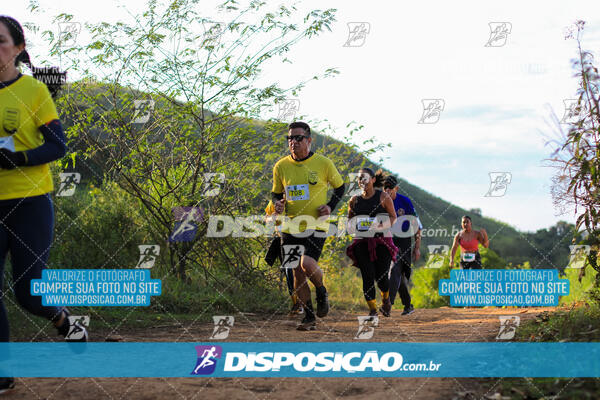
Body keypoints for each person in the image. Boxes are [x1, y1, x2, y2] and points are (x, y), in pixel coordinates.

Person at [0, 15, 87, 395]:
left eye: (0, 41)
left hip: (30, 202)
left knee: (28, 291)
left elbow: (57, 146)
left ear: (18, 49)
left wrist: (18, 159)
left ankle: (62, 317)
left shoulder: (34, 91)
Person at [271, 121, 345, 330]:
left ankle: (321, 290)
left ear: (309, 140)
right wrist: (277, 203)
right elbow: (276, 191)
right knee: (296, 271)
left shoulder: (323, 163)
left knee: (307, 264)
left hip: (316, 225)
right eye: (290, 138)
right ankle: (310, 317)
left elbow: (340, 187)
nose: (293, 142)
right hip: (290, 226)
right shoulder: (281, 166)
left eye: (298, 138)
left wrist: (330, 206)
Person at [346, 168, 398, 317]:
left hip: (382, 242)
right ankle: (373, 310)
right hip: (362, 242)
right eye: (359, 178)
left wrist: (380, 226)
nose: (361, 181)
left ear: (373, 179)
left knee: (381, 277)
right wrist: (352, 226)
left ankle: (386, 300)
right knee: (367, 275)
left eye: (365, 178)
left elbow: (393, 217)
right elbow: (350, 220)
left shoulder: (383, 197)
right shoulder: (354, 200)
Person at [384, 175, 422, 315]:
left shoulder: (405, 202)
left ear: (396, 188)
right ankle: (408, 305)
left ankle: (388, 303)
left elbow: (417, 226)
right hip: (388, 239)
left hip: (404, 241)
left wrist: (417, 248)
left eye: (391, 189)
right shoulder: (381, 201)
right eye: (385, 188)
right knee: (396, 273)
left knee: (395, 270)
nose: (388, 191)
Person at [264, 200, 302, 316]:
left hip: (299, 237)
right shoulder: (274, 201)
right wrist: (272, 219)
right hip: (282, 239)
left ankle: (305, 302)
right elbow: (266, 218)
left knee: (298, 270)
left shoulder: (298, 197)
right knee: (288, 270)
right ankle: (297, 303)